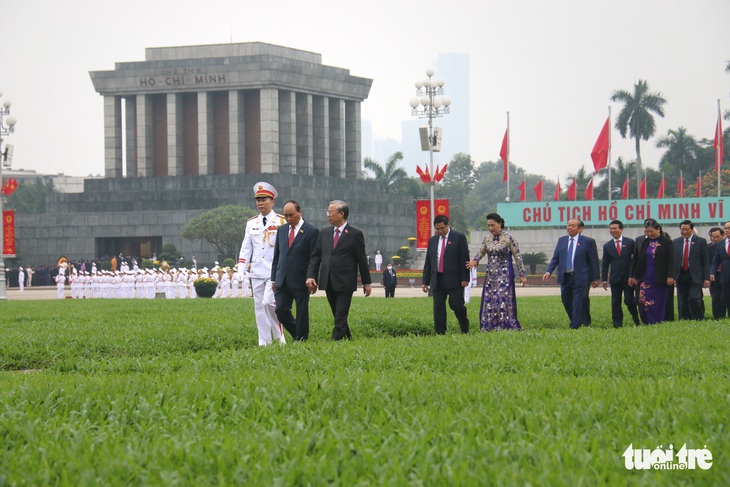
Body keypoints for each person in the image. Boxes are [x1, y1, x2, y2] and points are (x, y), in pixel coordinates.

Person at [306, 200, 372, 340]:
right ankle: (347, 338)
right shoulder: (324, 233)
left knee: (341, 314)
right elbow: (316, 256)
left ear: (341, 214)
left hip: (345, 282)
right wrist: (311, 276)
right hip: (328, 280)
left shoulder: (355, 234)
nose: (328, 215)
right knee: (337, 314)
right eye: (327, 212)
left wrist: (367, 282)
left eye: (331, 212)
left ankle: (335, 342)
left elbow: (361, 260)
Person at [238, 182, 286, 346]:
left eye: (263, 199)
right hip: (257, 272)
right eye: (257, 200)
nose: (260, 203)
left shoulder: (282, 221)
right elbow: (246, 249)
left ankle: (280, 337)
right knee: (259, 307)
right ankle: (264, 341)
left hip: (274, 273)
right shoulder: (251, 223)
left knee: (269, 303)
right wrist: (241, 270)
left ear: (272, 201)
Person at [466, 212, 526, 331]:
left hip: (505, 274)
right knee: (490, 299)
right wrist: (475, 260)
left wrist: (522, 274)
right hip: (491, 275)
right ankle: (490, 325)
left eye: (493, 225)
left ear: (500, 224)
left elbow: (518, 256)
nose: (490, 228)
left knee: (503, 298)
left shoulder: (509, 238)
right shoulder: (487, 238)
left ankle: (506, 325)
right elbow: (481, 252)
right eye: (488, 226)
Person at [271, 200, 320, 341]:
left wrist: (312, 277)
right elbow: (277, 256)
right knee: (280, 310)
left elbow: (314, 258)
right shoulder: (281, 230)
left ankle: (301, 339)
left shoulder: (311, 231)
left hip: (301, 279)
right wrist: (274, 278)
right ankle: (297, 333)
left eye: (291, 215)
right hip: (282, 279)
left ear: (300, 212)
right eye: (285, 216)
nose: (288, 219)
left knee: (302, 311)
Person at [543, 219, 600, 329]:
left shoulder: (588, 242)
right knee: (566, 301)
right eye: (568, 225)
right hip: (565, 277)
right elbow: (556, 257)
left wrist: (595, 277)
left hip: (581, 277)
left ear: (580, 229)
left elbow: (593, 261)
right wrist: (549, 271)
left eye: (573, 226)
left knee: (578, 302)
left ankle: (575, 325)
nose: (570, 227)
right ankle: (580, 321)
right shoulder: (562, 240)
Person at [422, 214, 470, 334]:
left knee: (456, 306)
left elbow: (465, 258)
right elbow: (428, 261)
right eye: (437, 229)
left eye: (442, 228)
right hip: (437, 279)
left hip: (455, 279)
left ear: (448, 225)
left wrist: (465, 278)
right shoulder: (432, 240)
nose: (439, 231)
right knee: (438, 308)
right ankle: (440, 332)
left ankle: (464, 327)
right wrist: (425, 281)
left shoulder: (459, 237)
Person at [632, 219, 675, 324]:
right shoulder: (646, 242)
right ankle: (647, 321)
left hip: (661, 278)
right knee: (643, 301)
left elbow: (672, 260)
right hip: (646, 277)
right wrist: (635, 276)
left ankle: (660, 321)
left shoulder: (666, 242)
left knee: (658, 302)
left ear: (658, 229)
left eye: (651, 231)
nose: (649, 234)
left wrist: (671, 276)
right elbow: (640, 259)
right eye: (647, 232)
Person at [601, 220, 640, 327]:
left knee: (629, 301)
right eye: (611, 229)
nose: (613, 231)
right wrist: (604, 279)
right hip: (615, 278)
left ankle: (636, 318)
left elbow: (634, 260)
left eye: (615, 228)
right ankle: (617, 324)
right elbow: (605, 264)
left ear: (621, 229)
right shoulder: (607, 246)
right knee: (615, 302)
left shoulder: (630, 242)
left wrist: (633, 276)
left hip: (628, 279)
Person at [672, 220, 709, 320]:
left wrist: (706, 278)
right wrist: (673, 276)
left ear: (692, 230)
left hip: (695, 275)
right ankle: (684, 319)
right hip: (681, 275)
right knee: (682, 300)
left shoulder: (700, 241)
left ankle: (698, 318)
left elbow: (706, 261)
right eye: (682, 230)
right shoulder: (676, 242)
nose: (684, 232)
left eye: (687, 229)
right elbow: (673, 261)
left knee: (694, 298)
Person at [710, 221, 730, 319]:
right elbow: (716, 260)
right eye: (726, 228)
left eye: (729, 228)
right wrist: (712, 272)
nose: (727, 230)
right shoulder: (720, 244)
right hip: (725, 276)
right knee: (727, 298)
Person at [707, 227, 726, 319]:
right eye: (712, 237)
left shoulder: (726, 246)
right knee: (716, 298)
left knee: (725, 297)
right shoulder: (708, 248)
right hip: (714, 276)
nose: (714, 239)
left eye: (717, 237)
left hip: (726, 274)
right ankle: (718, 317)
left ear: (723, 235)